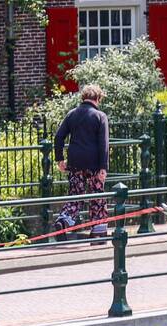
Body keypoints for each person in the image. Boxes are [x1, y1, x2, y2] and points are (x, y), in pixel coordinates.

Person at [53, 84, 111, 241]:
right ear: (97, 99)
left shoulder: (72, 114)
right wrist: (103, 168)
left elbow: (59, 137)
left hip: (75, 162)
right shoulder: (100, 116)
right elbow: (104, 144)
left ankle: (63, 222)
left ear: (83, 98)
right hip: (94, 164)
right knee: (97, 196)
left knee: (75, 194)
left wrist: (60, 159)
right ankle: (98, 233)